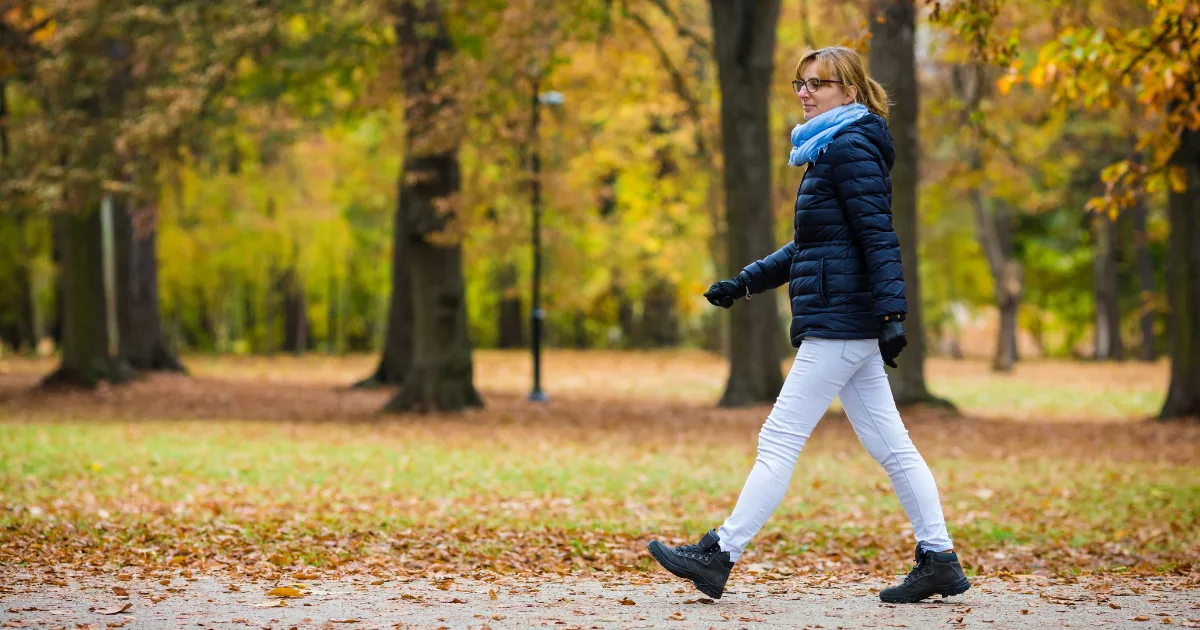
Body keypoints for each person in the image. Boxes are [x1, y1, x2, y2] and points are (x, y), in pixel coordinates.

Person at [646, 46, 970, 605]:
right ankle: (939, 558)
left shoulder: (849, 147)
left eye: (818, 83)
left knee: (780, 437)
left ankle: (720, 553)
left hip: (841, 320)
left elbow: (878, 235)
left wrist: (894, 315)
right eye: (800, 82)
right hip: (843, 316)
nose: (805, 92)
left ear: (849, 91)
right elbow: (814, 245)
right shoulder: (831, 148)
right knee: (892, 446)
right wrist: (745, 282)